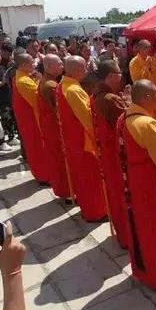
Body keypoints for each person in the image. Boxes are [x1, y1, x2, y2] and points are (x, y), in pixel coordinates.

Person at [116, 79, 156, 290]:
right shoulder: (146, 124)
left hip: (134, 181)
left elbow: (142, 146)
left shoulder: (124, 118)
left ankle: (143, 271)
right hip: (151, 185)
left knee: (141, 227)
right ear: (147, 97)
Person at [56, 56, 108, 221]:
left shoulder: (63, 85)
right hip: (82, 140)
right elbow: (87, 117)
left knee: (82, 178)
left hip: (72, 139)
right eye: (84, 68)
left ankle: (88, 209)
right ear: (77, 70)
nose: (86, 71)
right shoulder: (73, 90)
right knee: (89, 178)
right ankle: (95, 212)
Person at [91, 59, 130, 248]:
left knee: (115, 195)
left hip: (107, 152)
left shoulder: (99, 94)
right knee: (123, 196)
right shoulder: (109, 99)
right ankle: (128, 236)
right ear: (111, 77)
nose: (121, 76)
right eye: (119, 74)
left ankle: (123, 233)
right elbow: (128, 124)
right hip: (116, 155)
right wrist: (130, 104)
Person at [37, 54, 72, 201]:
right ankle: (68, 192)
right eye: (59, 64)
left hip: (49, 127)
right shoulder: (50, 85)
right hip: (55, 129)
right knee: (61, 160)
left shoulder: (48, 81)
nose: (62, 66)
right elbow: (60, 109)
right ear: (50, 67)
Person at [11, 53, 49, 186]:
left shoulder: (22, 76)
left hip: (28, 118)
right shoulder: (23, 81)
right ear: (22, 65)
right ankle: (43, 176)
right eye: (31, 63)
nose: (34, 65)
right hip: (31, 120)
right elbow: (38, 99)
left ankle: (43, 174)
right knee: (36, 147)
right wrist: (40, 80)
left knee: (36, 147)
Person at [129, 40, 156, 121]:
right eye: (146, 47)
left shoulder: (153, 59)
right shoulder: (134, 62)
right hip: (144, 96)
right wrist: (146, 69)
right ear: (139, 48)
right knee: (147, 117)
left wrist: (153, 71)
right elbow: (136, 80)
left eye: (149, 47)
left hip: (155, 92)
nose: (148, 49)